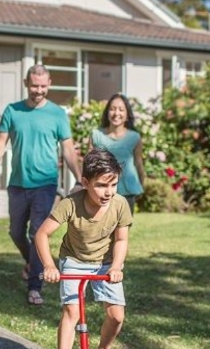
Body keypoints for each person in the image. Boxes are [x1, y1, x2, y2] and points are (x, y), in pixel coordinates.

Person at [0, 64, 83, 305]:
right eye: (34, 85)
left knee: (37, 232)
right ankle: (32, 262)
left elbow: (69, 151)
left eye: (43, 86)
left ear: (49, 83)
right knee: (15, 232)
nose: (38, 90)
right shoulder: (13, 110)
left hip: (45, 184)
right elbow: (1, 140)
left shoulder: (57, 114)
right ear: (26, 83)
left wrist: (80, 177)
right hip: (18, 183)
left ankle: (35, 286)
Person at [35, 148, 132, 349]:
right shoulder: (70, 204)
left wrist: (115, 267)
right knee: (72, 312)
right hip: (74, 260)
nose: (109, 192)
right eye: (101, 185)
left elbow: (121, 240)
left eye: (113, 185)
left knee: (116, 316)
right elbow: (42, 234)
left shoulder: (120, 204)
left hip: (105, 263)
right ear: (86, 183)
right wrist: (49, 266)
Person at [88, 93, 145, 214]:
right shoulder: (96, 135)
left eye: (121, 109)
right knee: (102, 230)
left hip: (128, 192)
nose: (116, 113)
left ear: (127, 115)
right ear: (107, 112)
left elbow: (139, 164)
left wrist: (141, 185)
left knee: (123, 230)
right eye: (112, 109)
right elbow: (88, 164)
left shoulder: (135, 137)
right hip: (102, 192)